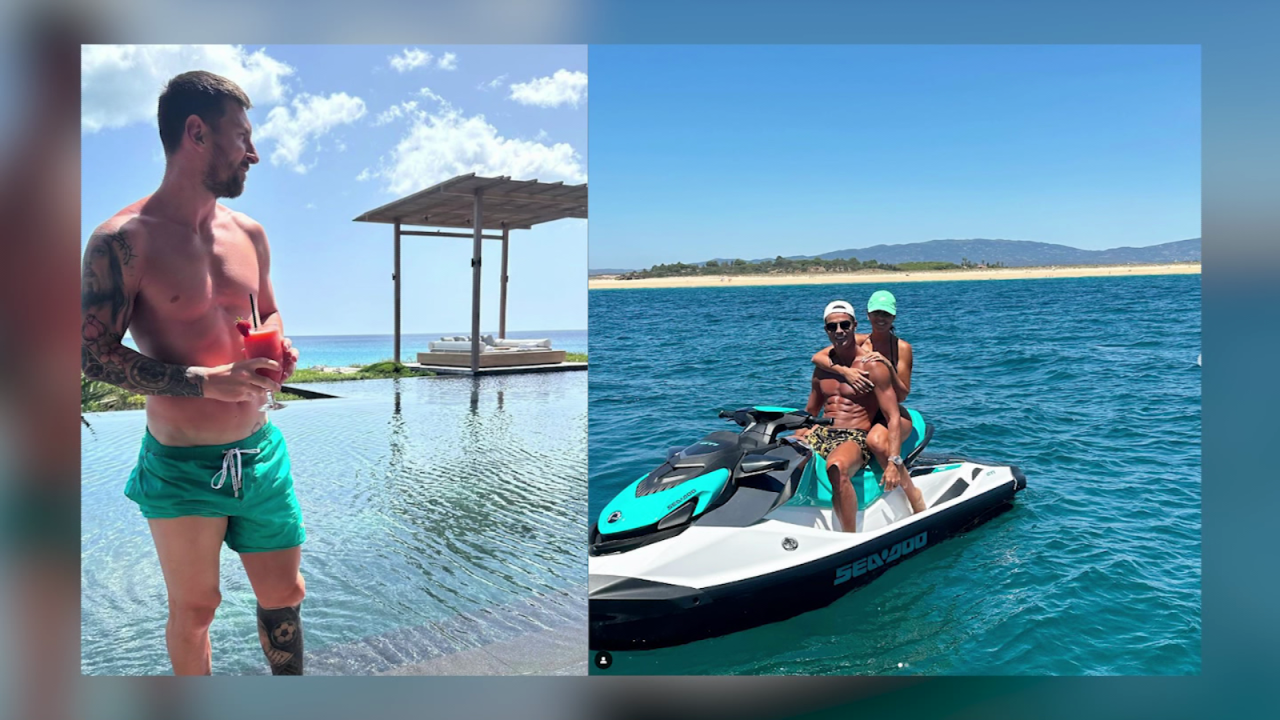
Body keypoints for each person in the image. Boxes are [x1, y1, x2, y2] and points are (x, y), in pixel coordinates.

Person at [80, 71, 305, 675]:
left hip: (259, 452)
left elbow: (269, 306)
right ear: (197, 132)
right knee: (197, 606)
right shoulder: (123, 241)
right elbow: (91, 355)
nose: (253, 153)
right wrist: (206, 381)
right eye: (242, 137)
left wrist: (281, 346)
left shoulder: (249, 234)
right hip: (181, 463)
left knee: (285, 596)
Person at [795, 301, 925, 533]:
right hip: (822, 431)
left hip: (853, 435)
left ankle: (848, 537)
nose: (838, 331)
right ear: (825, 330)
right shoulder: (823, 367)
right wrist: (798, 436)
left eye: (844, 325)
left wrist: (894, 461)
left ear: (855, 325)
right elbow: (811, 411)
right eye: (832, 327)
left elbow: (893, 414)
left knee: (837, 466)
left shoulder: (873, 365)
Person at [810, 290, 914, 473]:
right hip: (865, 407)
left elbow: (903, 395)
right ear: (868, 315)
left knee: (876, 443)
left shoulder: (902, 348)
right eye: (876, 313)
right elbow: (818, 357)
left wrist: (887, 367)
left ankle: (900, 483)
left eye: (886, 314)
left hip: (889, 407)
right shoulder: (859, 340)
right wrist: (845, 372)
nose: (881, 319)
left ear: (894, 316)